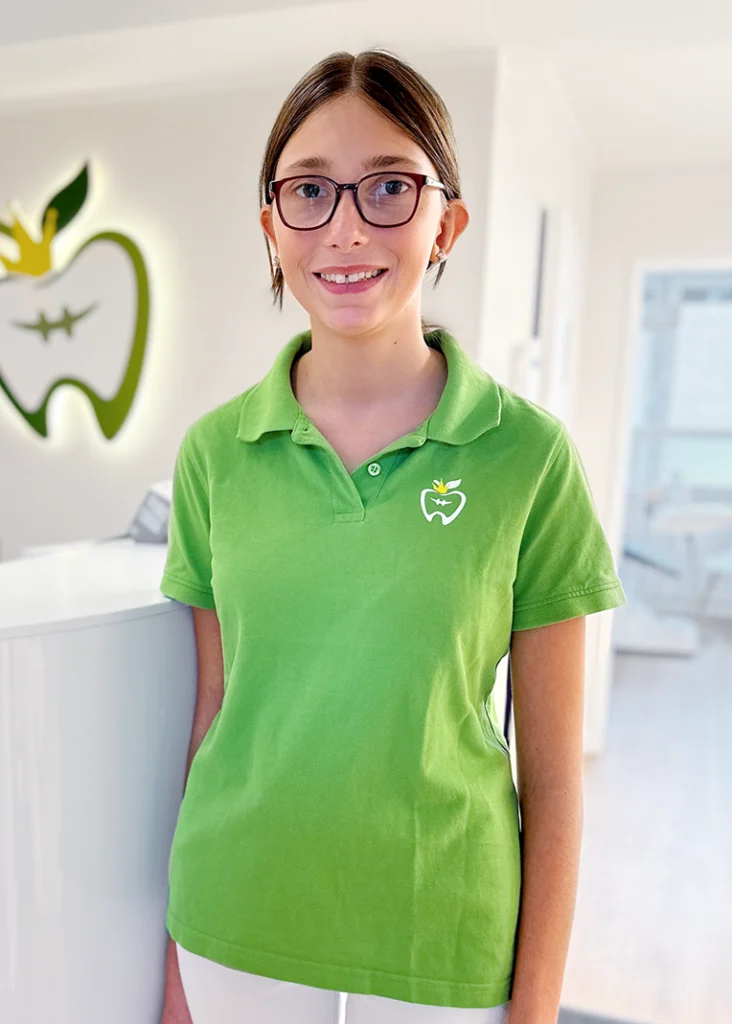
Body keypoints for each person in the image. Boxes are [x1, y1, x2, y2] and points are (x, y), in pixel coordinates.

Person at [159, 48, 627, 1024]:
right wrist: (176, 964)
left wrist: (536, 1008)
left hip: (442, 946)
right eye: (308, 190)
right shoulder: (213, 454)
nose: (344, 227)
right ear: (270, 226)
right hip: (235, 931)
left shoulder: (530, 458)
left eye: (388, 188)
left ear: (445, 222)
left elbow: (553, 781)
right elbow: (214, 711)